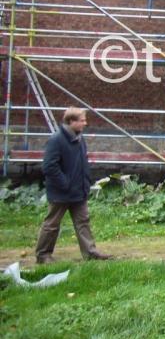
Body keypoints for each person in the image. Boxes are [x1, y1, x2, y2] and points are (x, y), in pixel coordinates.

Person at [35, 107, 112, 263]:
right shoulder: (56, 140)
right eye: (82, 120)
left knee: (83, 222)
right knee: (52, 224)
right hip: (61, 192)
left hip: (78, 190)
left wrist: (85, 183)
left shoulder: (79, 138)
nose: (85, 123)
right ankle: (43, 255)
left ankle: (90, 253)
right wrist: (65, 184)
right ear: (71, 121)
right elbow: (49, 166)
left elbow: (81, 163)